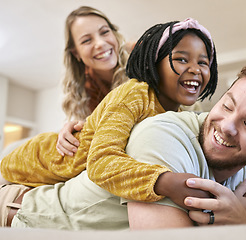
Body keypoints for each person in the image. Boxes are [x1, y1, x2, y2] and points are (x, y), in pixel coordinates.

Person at [2, 59, 246, 230]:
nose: (226, 126)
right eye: (227, 106)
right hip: (19, 210)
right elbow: (102, 163)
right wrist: (239, 224)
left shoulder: (242, 172)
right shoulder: (161, 132)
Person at [0, 18, 218, 205]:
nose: (196, 69)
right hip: (39, 158)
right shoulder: (135, 93)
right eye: (181, 59)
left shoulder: (179, 113)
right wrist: (164, 182)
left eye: (203, 62)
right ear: (153, 63)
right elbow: (100, 163)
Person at [56, 6, 130, 156]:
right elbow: (92, 134)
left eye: (104, 32)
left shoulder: (142, 55)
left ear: (114, 34)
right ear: (76, 53)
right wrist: (71, 130)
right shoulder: (85, 89)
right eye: (87, 40)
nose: (100, 43)